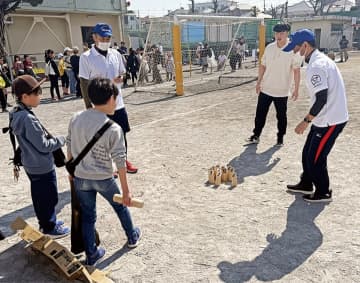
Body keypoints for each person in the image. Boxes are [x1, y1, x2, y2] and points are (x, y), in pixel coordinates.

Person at [66, 77, 141, 266]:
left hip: (81, 178)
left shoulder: (75, 118)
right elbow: (120, 161)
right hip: (104, 178)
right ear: (110, 99)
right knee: (120, 207)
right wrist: (126, 191)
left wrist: (70, 169)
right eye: (115, 98)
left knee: (88, 216)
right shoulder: (113, 128)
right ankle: (132, 237)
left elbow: (69, 144)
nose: (116, 102)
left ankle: (91, 254)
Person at [284, 29, 349, 203]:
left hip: (331, 119)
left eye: (296, 48)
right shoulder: (316, 61)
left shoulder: (316, 66)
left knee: (316, 157)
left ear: (306, 45)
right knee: (307, 153)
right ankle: (306, 183)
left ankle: (323, 191)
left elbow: (321, 98)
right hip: (324, 117)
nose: (294, 52)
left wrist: (305, 121)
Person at [10, 75, 70, 237]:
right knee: (48, 197)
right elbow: (44, 146)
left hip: (30, 163)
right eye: (37, 93)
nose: (40, 96)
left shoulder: (16, 112)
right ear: (25, 97)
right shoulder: (28, 119)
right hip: (41, 165)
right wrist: (61, 140)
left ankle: (47, 222)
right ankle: (49, 227)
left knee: (39, 196)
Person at [79, 22, 138, 174]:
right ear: (94, 37)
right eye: (102, 37)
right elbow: (84, 83)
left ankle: (123, 161)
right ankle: (107, 165)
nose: (105, 41)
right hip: (99, 106)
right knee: (101, 137)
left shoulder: (116, 54)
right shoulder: (86, 57)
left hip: (118, 104)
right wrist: (89, 106)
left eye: (108, 38)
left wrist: (122, 78)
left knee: (121, 133)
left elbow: (123, 73)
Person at [246, 23, 302, 146]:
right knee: (260, 114)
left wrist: (296, 89)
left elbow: (297, 71)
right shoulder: (270, 47)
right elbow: (263, 65)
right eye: (276, 33)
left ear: (287, 33)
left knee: (281, 116)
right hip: (266, 88)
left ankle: (280, 138)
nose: (279, 35)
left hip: (282, 90)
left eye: (281, 33)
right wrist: (258, 82)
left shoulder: (294, 50)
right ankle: (256, 135)